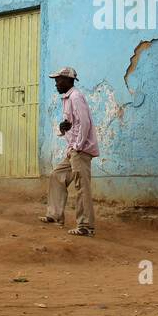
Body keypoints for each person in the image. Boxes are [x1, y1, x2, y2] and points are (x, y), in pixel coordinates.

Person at [42, 66, 100, 236]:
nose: (56, 84)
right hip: (73, 150)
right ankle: (54, 215)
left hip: (80, 151)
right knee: (56, 176)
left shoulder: (76, 97)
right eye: (55, 80)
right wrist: (62, 129)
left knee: (82, 187)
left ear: (68, 80)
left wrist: (78, 146)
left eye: (58, 80)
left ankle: (86, 227)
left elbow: (85, 123)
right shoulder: (68, 98)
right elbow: (72, 125)